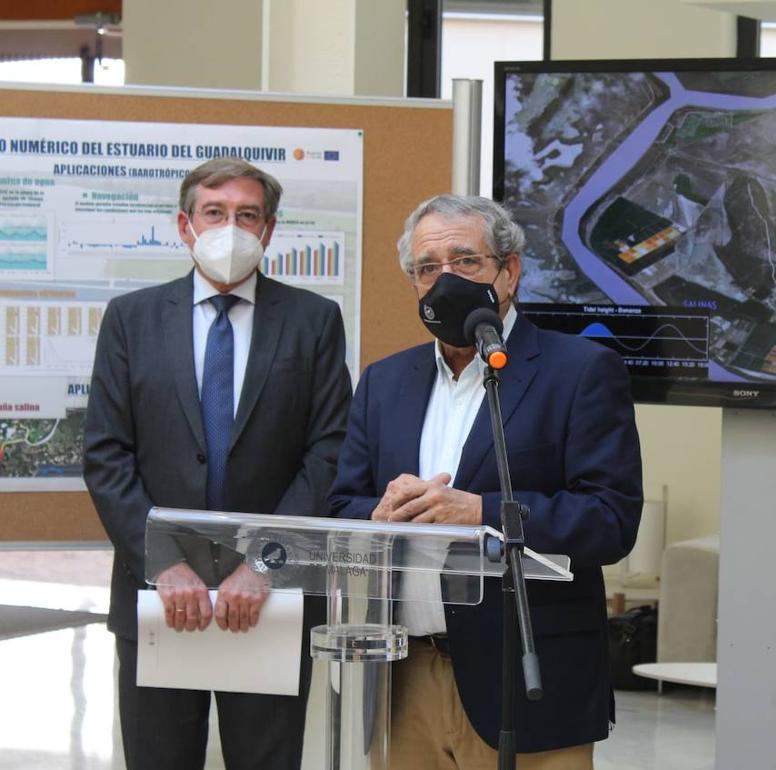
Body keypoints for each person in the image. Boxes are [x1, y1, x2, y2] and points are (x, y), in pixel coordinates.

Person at [328, 194, 643, 769]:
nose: (444, 279)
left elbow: (610, 520)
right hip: (403, 679)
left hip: (526, 684)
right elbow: (343, 505)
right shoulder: (383, 382)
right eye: (428, 268)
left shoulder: (578, 372)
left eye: (464, 261)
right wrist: (379, 515)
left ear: (510, 270)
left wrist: (481, 511)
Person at [83, 157, 353, 770]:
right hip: (158, 598)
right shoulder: (132, 319)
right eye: (215, 212)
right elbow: (105, 454)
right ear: (185, 225)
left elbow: (329, 450)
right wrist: (165, 562)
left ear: (268, 230)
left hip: (270, 599)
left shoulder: (313, 321)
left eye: (246, 215)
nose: (230, 226)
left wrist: (264, 563)